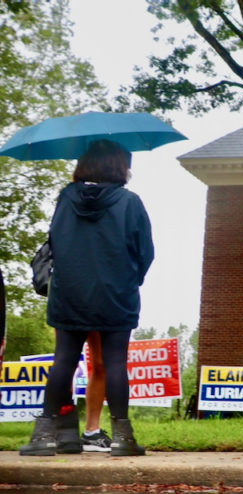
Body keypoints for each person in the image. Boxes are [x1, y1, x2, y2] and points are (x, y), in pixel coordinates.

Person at [20, 139, 154, 457]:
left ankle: (43, 437)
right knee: (116, 362)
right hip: (116, 294)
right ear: (119, 166)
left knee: (63, 361)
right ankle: (124, 437)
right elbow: (145, 251)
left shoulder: (66, 199)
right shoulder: (130, 202)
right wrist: (130, 279)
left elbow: (55, 242)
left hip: (70, 293)